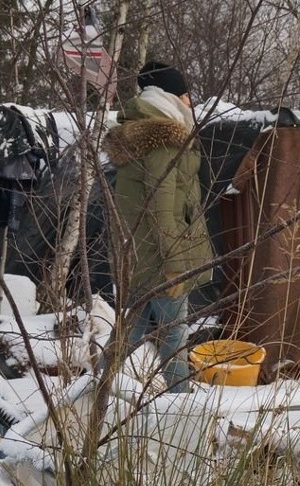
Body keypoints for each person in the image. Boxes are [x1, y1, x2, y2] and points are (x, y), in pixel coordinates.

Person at [104, 61, 213, 393]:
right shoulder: (164, 139)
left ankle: (95, 390)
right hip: (160, 257)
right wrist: (174, 266)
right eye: (185, 94)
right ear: (170, 96)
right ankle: (182, 410)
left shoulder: (144, 132)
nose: (191, 102)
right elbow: (161, 208)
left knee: (130, 331)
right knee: (174, 334)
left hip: (139, 253)